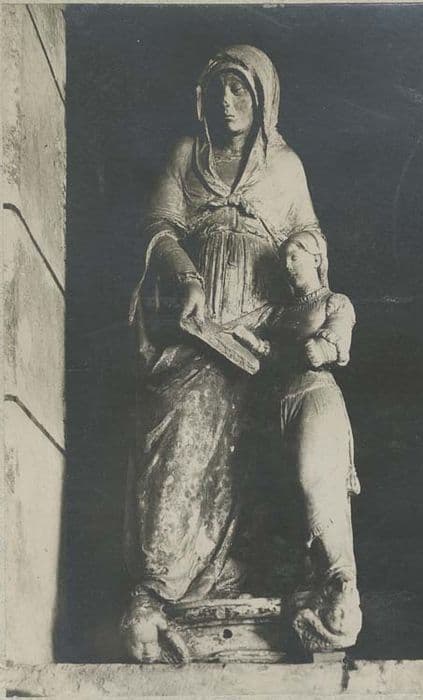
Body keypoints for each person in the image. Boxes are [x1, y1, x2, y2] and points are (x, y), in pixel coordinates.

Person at [122, 45, 321, 662]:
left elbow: (308, 236)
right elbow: (159, 229)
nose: (228, 102)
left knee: (279, 417)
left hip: (264, 331)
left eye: (240, 91)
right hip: (197, 329)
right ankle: (158, 589)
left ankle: (274, 583)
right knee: (179, 415)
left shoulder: (285, 166)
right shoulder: (188, 155)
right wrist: (186, 278)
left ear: (264, 101)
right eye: (219, 91)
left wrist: (304, 265)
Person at [231, 229, 362, 649]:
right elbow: (270, 354)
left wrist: (317, 348)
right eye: (284, 259)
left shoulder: (335, 302)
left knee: (314, 480)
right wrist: (252, 343)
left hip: (315, 396)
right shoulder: (282, 312)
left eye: (295, 257)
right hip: (279, 403)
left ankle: (340, 578)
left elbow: (330, 346)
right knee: (283, 492)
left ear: (317, 258)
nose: (288, 266)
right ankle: (309, 581)